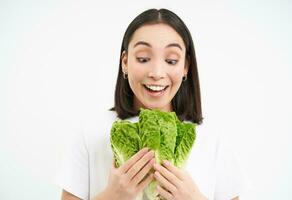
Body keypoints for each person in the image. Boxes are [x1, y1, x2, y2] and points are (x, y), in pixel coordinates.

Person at [55, 8, 250, 200]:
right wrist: (111, 197)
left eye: (171, 60)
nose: (157, 72)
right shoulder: (89, 133)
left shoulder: (213, 139)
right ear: (125, 62)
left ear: (185, 67)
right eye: (143, 59)